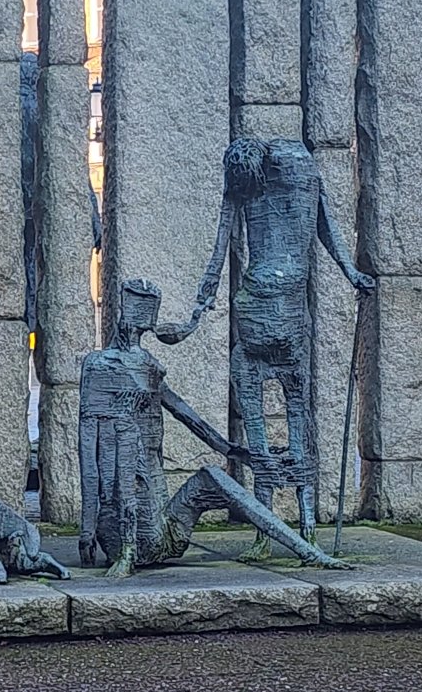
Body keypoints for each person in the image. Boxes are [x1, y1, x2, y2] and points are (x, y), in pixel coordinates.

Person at [164, 136, 374, 530]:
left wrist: (198, 310)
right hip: (278, 312)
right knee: (293, 412)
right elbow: (324, 225)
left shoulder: (266, 175)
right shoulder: (299, 170)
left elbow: (221, 246)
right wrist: (351, 273)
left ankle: (282, 526)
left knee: (274, 417)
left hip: (267, 311)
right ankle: (295, 525)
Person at [77, 278, 349, 576]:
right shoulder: (105, 366)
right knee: (200, 474)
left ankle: (307, 550)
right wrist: (92, 534)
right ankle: (308, 551)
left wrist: (232, 451)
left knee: (205, 477)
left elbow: (185, 414)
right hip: (135, 535)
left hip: (151, 532)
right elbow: (89, 448)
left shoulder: (143, 366)